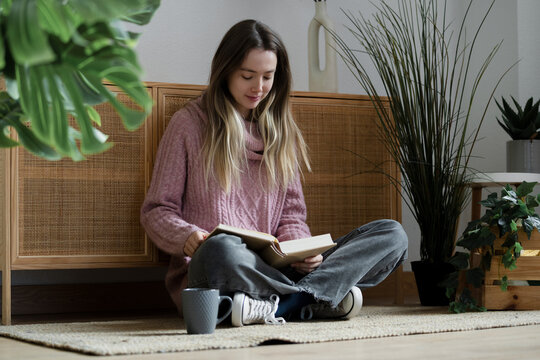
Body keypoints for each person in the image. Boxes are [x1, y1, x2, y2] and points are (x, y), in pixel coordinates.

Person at [140, 19, 408, 327]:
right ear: (225, 70)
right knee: (220, 248)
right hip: (217, 268)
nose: (258, 87)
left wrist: (301, 251)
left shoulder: (282, 132)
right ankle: (313, 300)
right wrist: (187, 237)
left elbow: (292, 216)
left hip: (278, 271)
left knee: (392, 234)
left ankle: (280, 305)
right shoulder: (188, 125)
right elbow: (156, 210)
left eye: (267, 77)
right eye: (247, 76)